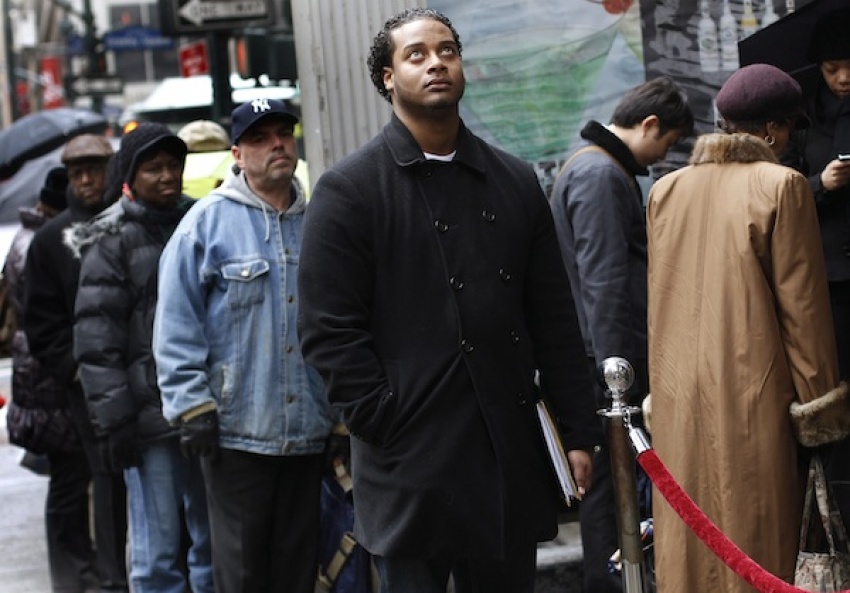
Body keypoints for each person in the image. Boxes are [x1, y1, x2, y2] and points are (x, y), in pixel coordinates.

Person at [297, 8, 601, 593]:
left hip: (503, 449)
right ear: (388, 77)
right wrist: (381, 416)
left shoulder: (514, 180)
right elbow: (327, 330)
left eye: (447, 51)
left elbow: (554, 321)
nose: (436, 63)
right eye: (416, 54)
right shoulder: (349, 190)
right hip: (409, 458)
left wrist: (577, 431)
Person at [646, 63, 846, 593]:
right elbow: (803, 312)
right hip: (756, 398)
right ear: (773, 130)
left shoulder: (666, 190)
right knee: (758, 547)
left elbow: (660, 303)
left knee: (694, 544)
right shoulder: (782, 185)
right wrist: (820, 407)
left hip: (679, 401)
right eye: (790, 129)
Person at [152, 98, 333, 593]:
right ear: (237, 154)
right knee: (243, 574)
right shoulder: (205, 223)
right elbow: (175, 324)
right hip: (235, 435)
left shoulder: (320, 223)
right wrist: (192, 408)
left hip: (308, 431)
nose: (277, 145)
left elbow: (338, 325)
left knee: (298, 572)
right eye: (260, 138)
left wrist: (340, 413)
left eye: (284, 134)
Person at [549, 76, 694, 593]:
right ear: (649, 124)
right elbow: (605, 281)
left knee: (614, 493)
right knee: (613, 496)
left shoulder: (593, 168)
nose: (663, 156)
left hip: (601, 361)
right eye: (668, 142)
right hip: (608, 368)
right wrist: (621, 376)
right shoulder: (600, 175)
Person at [71, 123, 212, 593]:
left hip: (204, 410)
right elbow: (97, 342)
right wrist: (115, 424)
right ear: (131, 175)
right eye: (154, 168)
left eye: (174, 165)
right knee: (157, 554)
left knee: (211, 546)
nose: (167, 176)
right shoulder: (110, 239)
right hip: (147, 423)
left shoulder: (200, 222)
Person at [23, 134, 129, 592]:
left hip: (140, 372)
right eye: (78, 172)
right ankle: (113, 577)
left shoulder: (131, 221)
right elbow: (39, 322)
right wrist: (75, 369)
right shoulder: (50, 240)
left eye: (95, 170)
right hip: (86, 383)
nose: (87, 180)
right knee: (104, 477)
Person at [782, 7, 850, 524]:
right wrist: (819, 185)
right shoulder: (803, 116)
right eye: (831, 68)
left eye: (849, 66)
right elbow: (780, 191)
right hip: (827, 280)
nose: (842, 78)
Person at [5, 168, 72, 468]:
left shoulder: (30, 237)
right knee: (67, 471)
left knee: (65, 468)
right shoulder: (38, 243)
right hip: (43, 364)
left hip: (35, 359)